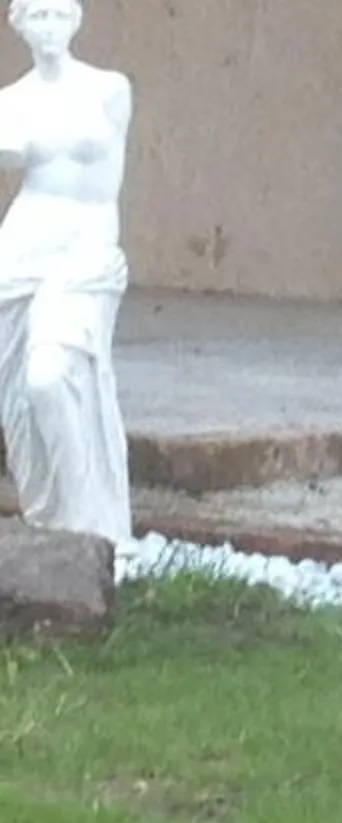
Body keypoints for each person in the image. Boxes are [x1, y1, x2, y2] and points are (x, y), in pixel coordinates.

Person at [0, 0, 128, 546]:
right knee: (18, 395)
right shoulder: (9, 103)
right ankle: (52, 517)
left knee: (50, 376)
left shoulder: (109, 89)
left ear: (76, 19)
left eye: (58, 13)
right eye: (37, 15)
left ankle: (88, 528)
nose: (48, 27)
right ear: (18, 24)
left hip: (86, 247)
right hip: (25, 245)